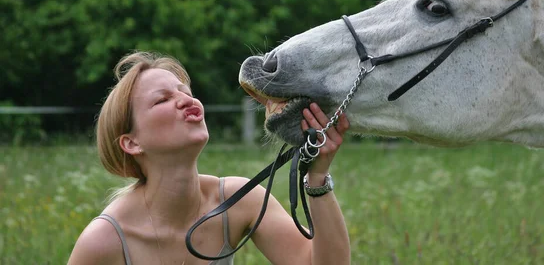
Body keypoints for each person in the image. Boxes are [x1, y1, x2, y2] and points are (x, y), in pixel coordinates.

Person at [67, 51, 351, 265]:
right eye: (162, 100)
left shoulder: (239, 200)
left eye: (186, 93)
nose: (187, 100)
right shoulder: (103, 241)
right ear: (131, 143)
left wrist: (316, 176)